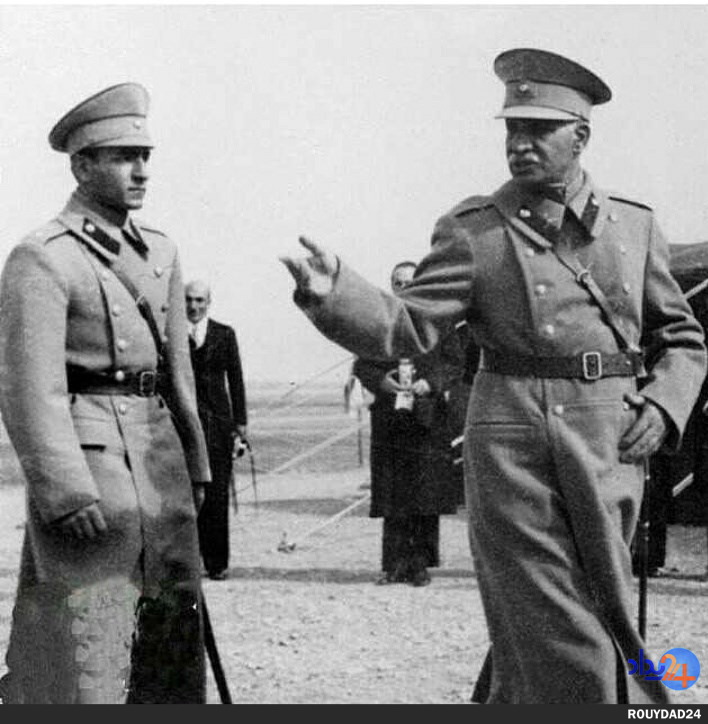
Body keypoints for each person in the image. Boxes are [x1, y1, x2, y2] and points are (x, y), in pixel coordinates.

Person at [281, 48, 707, 703]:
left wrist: (664, 405)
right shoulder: (476, 233)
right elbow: (407, 328)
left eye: (538, 129)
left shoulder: (635, 227)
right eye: (512, 128)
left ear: (580, 136)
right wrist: (336, 294)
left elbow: (682, 338)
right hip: (513, 446)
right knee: (562, 626)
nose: (519, 143)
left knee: (589, 610)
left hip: (610, 448)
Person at [0, 83, 212, 704]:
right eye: (123, 157)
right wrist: (64, 489)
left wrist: (195, 463)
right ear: (82, 166)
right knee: (87, 642)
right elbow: (28, 385)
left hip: (158, 463)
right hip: (93, 476)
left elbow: (177, 374)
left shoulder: (161, 251)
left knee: (168, 632)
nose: (141, 170)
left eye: (145, 156)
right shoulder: (43, 257)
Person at [353, 261, 467, 587]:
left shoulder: (439, 321)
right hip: (390, 419)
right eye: (398, 282)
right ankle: (393, 565)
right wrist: (382, 382)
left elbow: (455, 364)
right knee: (393, 493)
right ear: (392, 286)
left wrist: (430, 383)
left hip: (428, 419)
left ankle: (419, 565)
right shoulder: (380, 322)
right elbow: (362, 366)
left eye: (409, 282)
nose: (403, 287)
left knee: (424, 493)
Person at [185, 279, 248, 581]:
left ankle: (217, 563)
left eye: (199, 300)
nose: (193, 306)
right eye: (188, 299)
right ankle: (188, 561)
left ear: (208, 303)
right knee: (186, 494)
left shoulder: (224, 334)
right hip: (183, 425)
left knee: (217, 494)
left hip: (218, 428)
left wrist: (240, 426)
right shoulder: (171, 335)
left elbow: (236, 380)